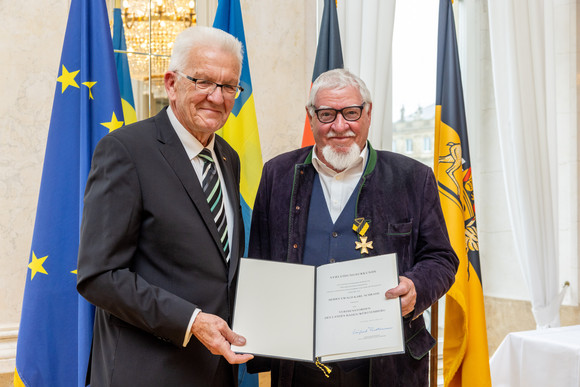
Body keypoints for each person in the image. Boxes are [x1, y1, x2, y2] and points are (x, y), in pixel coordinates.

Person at [247, 68, 459, 386]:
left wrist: (416, 287)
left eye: (351, 112)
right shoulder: (278, 175)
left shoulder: (412, 178)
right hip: (300, 368)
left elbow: (442, 259)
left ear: (368, 113)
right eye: (327, 114)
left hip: (388, 367)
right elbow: (259, 262)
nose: (340, 126)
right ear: (311, 117)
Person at [76, 26, 253, 386]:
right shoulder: (125, 150)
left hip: (218, 371)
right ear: (171, 83)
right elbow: (99, 276)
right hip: (147, 373)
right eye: (203, 81)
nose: (217, 98)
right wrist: (191, 320)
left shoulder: (228, 158)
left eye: (229, 86)